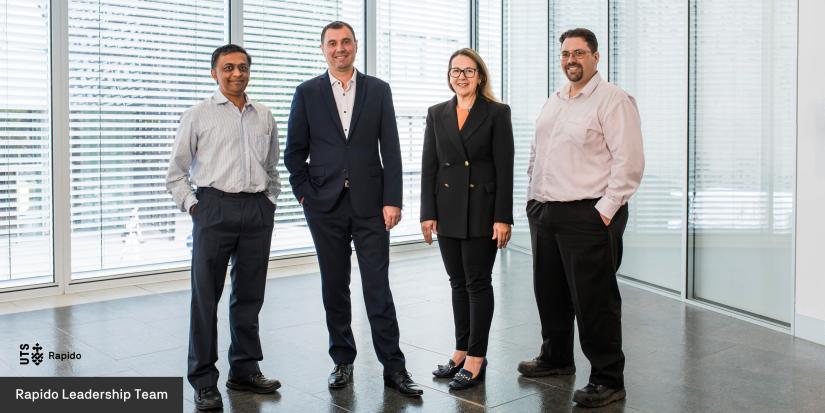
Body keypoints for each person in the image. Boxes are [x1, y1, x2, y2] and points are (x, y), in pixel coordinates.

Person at [284, 21, 423, 397]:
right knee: (335, 285)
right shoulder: (307, 92)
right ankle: (342, 360)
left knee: (378, 286)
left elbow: (390, 149)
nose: (339, 48)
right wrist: (304, 196)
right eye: (332, 43)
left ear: (356, 46)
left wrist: (393, 199)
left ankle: (394, 367)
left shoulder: (378, 90)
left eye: (345, 42)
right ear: (323, 48)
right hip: (324, 206)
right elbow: (293, 153)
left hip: (371, 206)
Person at [517, 28, 644, 408]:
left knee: (594, 300)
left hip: (587, 214)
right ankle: (556, 357)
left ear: (596, 57)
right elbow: (537, 151)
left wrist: (603, 213)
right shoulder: (555, 100)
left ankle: (608, 378)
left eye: (579, 53)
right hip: (545, 211)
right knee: (550, 292)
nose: (571, 60)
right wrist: (532, 201)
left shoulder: (612, 100)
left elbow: (629, 162)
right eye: (566, 54)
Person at [166, 44, 282, 411]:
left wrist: (269, 202)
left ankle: (245, 369)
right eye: (228, 67)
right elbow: (176, 173)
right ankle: (203, 380)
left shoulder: (264, 115)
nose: (237, 73)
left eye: (243, 67)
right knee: (205, 298)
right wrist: (196, 207)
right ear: (214, 73)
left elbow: (273, 168)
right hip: (213, 209)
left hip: (256, 211)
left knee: (249, 296)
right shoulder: (198, 115)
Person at [419, 48, 513, 390]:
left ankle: (476, 357)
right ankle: (460, 351)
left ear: (480, 76)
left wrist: (503, 217)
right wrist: (427, 213)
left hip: (482, 210)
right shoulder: (436, 113)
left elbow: (505, 168)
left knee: (477, 282)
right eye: (455, 71)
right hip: (446, 210)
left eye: (468, 71)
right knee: (457, 282)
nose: (461, 77)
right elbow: (430, 164)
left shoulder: (497, 113)